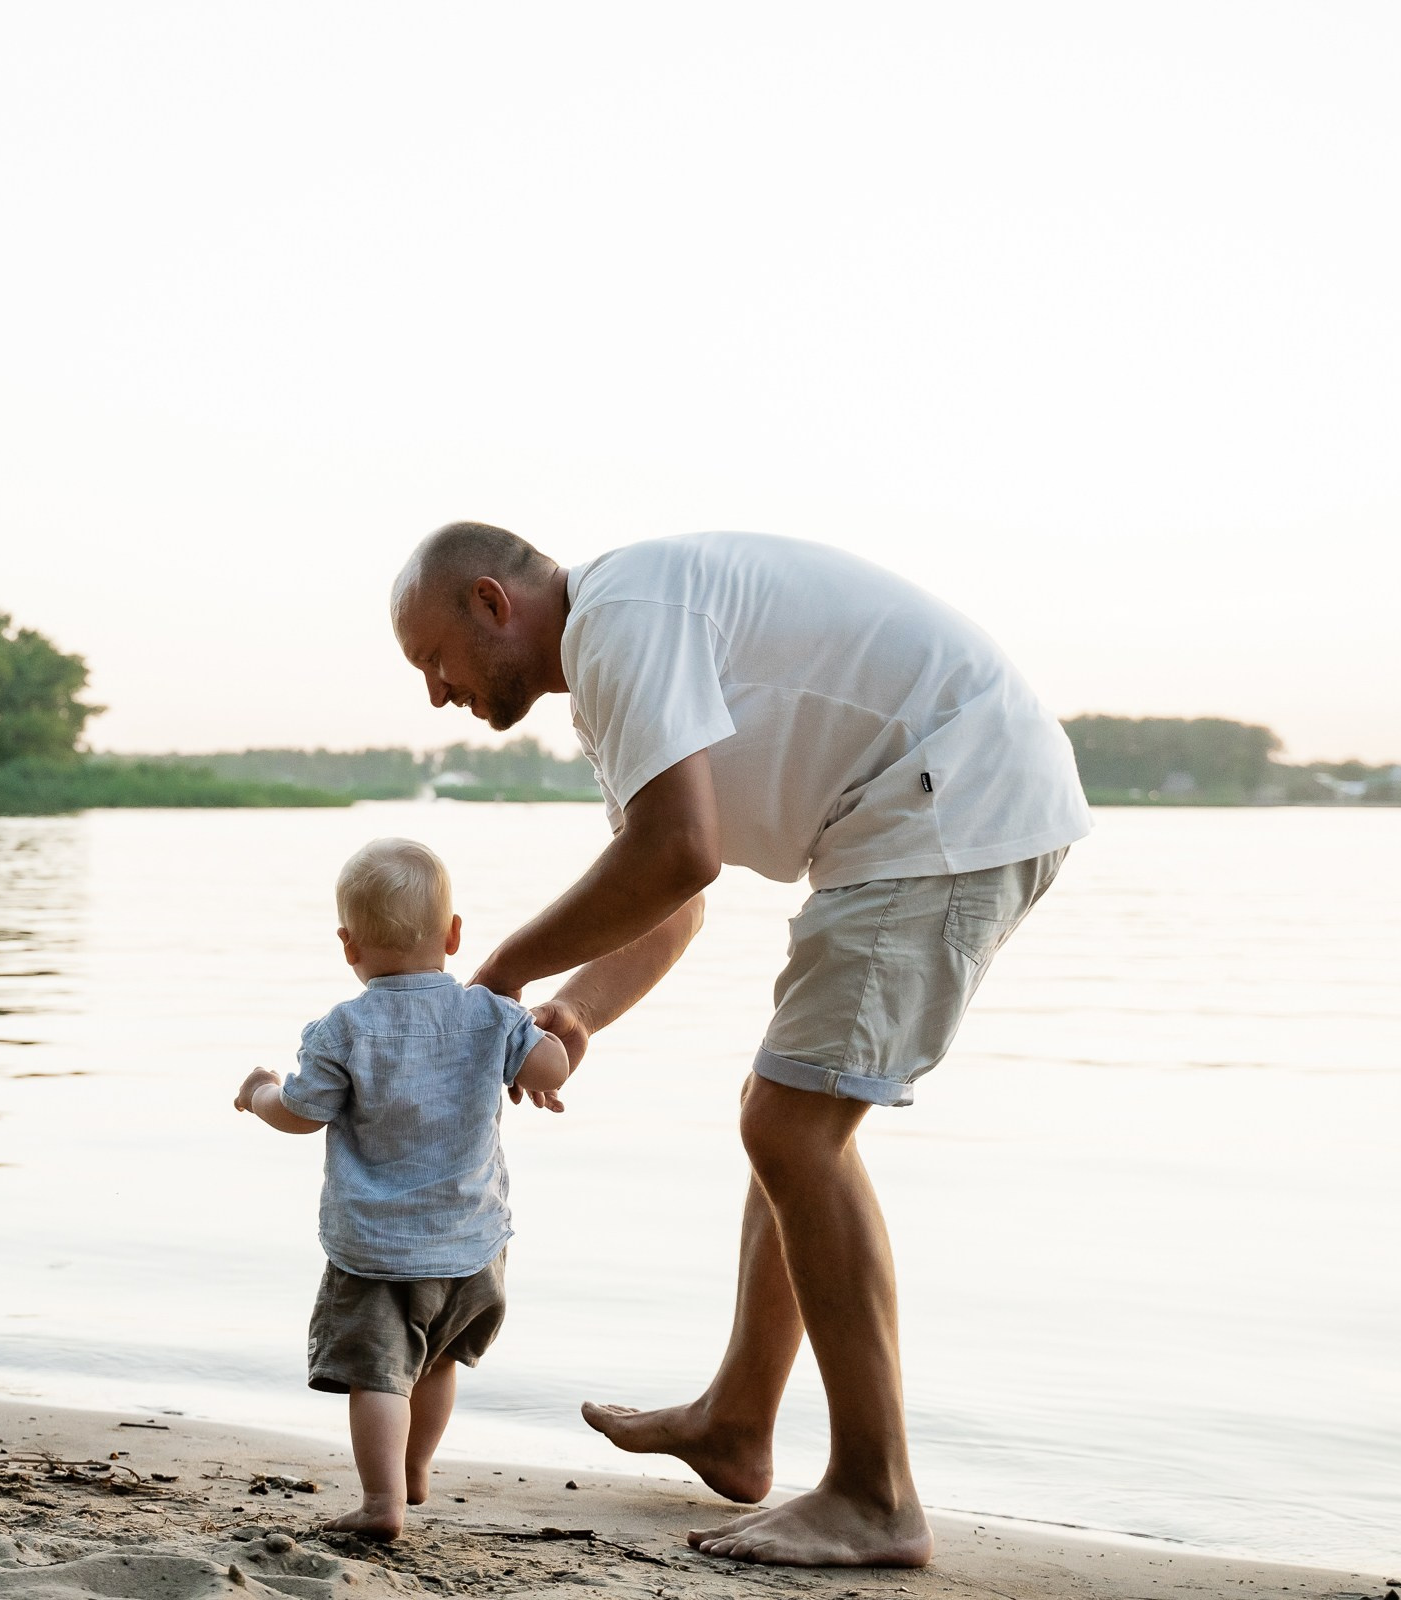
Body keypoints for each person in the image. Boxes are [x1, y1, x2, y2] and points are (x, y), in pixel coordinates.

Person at [388, 524, 1090, 1568]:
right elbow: (671, 894)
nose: (438, 694)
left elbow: (679, 853)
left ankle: (876, 1495)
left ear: (492, 603)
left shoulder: (624, 618)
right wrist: (575, 1016)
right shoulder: (615, 654)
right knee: (791, 1121)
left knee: (793, 1126)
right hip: (922, 807)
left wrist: (498, 976)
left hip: (949, 793)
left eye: (433, 660)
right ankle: (739, 1423)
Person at [232, 836, 572, 1541]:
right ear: (453, 935)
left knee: (379, 1375)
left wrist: (260, 1091)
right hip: (471, 1245)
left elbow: (299, 1115)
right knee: (438, 1361)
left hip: (377, 1251)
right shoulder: (489, 1014)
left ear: (347, 944)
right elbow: (549, 1071)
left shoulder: (343, 1029)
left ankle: (382, 1499)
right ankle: (416, 1472)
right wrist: (549, 1041)